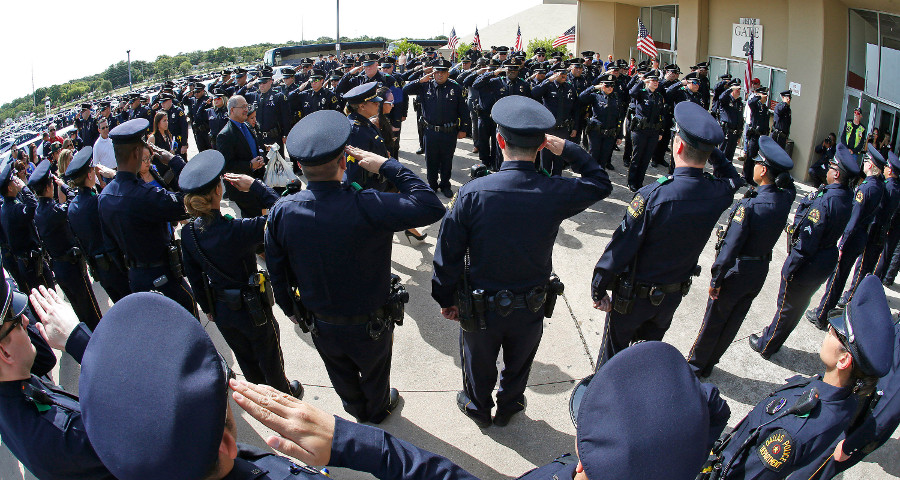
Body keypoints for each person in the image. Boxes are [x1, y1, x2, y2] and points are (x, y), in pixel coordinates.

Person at [432, 96, 612, 428]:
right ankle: (510, 404)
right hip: (530, 302)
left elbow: (447, 255)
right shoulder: (555, 190)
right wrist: (568, 149)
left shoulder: (473, 193)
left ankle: (478, 407)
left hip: (479, 305)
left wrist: (446, 298)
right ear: (543, 145)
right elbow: (601, 184)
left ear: (500, 141)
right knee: (520, 361)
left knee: (477, 360)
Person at [266, 110, 445, 424]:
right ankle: (375, 410)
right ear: (343, 162)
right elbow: (430, 206)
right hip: (369, 320)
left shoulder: (282, 210)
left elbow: (276, 268)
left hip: (320, 317)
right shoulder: (368, 204)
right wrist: (387, 165)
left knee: (339, 370)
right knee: (375, 370)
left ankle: (355, 409)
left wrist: (287, 307)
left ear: (298, 168)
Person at [591, 102, 742, 365]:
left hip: (633, 298)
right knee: (648, 356)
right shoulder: (718, 193)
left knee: (612, 358)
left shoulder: (654, 196)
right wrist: (710, 151)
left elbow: (621, 248)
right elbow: (733, 178)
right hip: (671, 296)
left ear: (678, 145)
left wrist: (599, 286)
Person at [712, 274, 894, 479]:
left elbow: (747, 474)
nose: (828, 331)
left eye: (835, 332)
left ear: (844, 360)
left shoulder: (792, 434)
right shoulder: (843, 394)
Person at [179, 150, 302, 399]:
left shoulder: (189, 233)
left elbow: (194, 277)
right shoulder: (237, 229)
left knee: (247, 360)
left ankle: (259, 397)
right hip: (252, 308)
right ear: (218, 191)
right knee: (270, 357)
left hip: (223, 308)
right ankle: (283, 396)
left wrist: (208, 307)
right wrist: (256, 187)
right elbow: (286, 212)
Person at [687, 136, 796, 377]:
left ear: (764, 170)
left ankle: (694, 367)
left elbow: (730, 248)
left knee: (713, 321)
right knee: (733, 321)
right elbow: (790, 187)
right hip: (758, 272)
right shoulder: (784, 199)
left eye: (757, 163)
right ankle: (710, 363)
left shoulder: (750, 207)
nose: (753, 165)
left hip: (737, 271)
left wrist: (716, 279)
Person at [749, 144, 859, 358]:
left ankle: (767, 344)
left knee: (786, 306)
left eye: (830, 168)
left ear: (836, 173)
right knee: (797, 307)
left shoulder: (826, 201)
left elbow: (807, 242)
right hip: (825, 259)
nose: (826, 170)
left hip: (810, 260)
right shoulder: (846, 196)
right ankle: (774, 337)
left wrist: (790, 267)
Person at [0, 276, 113, 480]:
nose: (26, 320)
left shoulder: (11, 391)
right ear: (5, 353)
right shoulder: (68, 433)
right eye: (16, 321)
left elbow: (43, 358)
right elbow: (147, 415)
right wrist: (77, 339)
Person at [98, 118, 198, 317]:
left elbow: (111, 248)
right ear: (136, 153)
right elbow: (191, 201)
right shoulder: (144, 195)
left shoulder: (104, 197)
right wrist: (175, 161)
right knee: (188, 319)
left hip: (137, 279)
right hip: (164, 276)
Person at [796, 305, 900, 479]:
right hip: (860, 396)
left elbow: (893, 406)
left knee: (814, 471)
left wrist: (852, 444)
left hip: (866, 418)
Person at [805, 145, 885, 331]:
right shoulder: (879, 185)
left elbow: (853, 221)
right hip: (862, 236)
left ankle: (822, 314)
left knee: (837, 277)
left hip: (854, 236)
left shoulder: (865, 189)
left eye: (866, 161)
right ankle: (826, 311)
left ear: (871, 166)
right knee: (842, 275)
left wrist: (841, 244)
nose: (864, 163)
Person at [28, 160, 102, 329]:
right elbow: (71, 202)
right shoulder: (52, 211)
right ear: (48, 187)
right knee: (91, 308)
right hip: (71, 266)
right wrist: (64, 187)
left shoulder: (39, 211)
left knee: (80, 309)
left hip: (60, 267)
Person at [63, 147, 131, 302]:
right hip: (116, 265)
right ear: (89, 175)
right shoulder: (97, 201)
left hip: (100, 269)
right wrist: (114, 176)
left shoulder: (73, 207)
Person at [402, 58, 468, 196]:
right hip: (430, 131)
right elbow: (405, 90)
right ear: (433, 72)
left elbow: (463, 110)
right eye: (437, 72)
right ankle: (432, 185)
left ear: (448, 73)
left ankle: (445, 185)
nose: (440, 75)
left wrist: (463, 129)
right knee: (431, 160)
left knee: (447, 160)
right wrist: (420, 80)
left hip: (449, 132)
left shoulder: (455, 88)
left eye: (443, 72)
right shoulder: (425, 86)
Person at [0, 162, 55, 292]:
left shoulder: (7, 207)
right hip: (32, 263)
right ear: (9, 188)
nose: (16, 183)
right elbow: (32, 207)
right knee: (49, 293)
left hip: (28, 262)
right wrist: (24, 188)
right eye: (13, 181)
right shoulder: (12, 209)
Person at [216, 95, 267, 218]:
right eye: (243, 107)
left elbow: (254, 147)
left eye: (247, 106)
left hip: (256, 180)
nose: (246, 109)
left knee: (262, 213)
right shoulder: (225, 135)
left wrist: (260, 158)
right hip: (242, 188)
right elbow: (227, 166)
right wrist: (250, 165)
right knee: (253, 217)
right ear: (232, 110)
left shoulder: (247, 126)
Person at [342, 82, 392, 191]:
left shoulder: (365, 123)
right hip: (368, 191)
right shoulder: (356, 131)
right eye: (374, 102)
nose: (378, 104)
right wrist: (361, 197)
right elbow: (353, 173)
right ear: (362, 106)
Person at [531, 64, 578, 176]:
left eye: (565, 73)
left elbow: (575, 110)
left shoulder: (569, 87)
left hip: (563, 129)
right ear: (554, 74)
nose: (564, 76)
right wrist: (548, 80)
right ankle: (545, 182)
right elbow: (534, 93)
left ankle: (557, 181)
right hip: (548, 129)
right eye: (561, 73)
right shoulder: (548, 86)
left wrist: (575, 128)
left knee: (559, 160)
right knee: (545, 159)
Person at [626, 71, 665, 191]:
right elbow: (631, 92)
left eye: (657, 81)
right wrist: (642, 81)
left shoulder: (659, 96)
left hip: (653, 131)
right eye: (653, 80)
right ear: (648, 82)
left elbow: (662, 115)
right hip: (640, 130)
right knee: (637, 157)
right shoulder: (641, 93)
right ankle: (631, 181)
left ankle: (639, 182)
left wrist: (661, 132)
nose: (655, 83)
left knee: (646, 158)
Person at [580, 73, 622, 171]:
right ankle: (590, 178)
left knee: (604, 158)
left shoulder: (616, 98)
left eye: (612, 85)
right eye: (607, 85)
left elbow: (619, 117)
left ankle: (599, 178)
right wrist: (594, 87)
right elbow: (582, 97)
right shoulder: (595, 96)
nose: (609, 88)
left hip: (610, 134)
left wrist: (619, 135)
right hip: (596, 133)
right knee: (593, 157)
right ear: (602, 85)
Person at [254, 71, 291, 153]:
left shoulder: (278, 97)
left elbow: (286, 117)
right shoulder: (256, 97)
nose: (261, 85)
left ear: (271, 81)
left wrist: (285, 134)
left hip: (274, 137)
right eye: (259, 83)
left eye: (264, 82)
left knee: (277, 163)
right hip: (260, 137)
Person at [744, 87, 771, 185]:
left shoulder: (765, 108)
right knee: (750, 158)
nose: (766, 97)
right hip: (754, 136)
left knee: (757, 159)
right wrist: (758, 97)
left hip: (762, 137)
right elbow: (750, 102)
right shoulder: (756, 106)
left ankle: (751, 177)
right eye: (764, 95)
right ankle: (745, 177)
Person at [717, 80, 744, 162]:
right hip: (726, 131)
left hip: (734, 134)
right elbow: (721, 98)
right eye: (737, 89)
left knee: (730, 156)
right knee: (722, 155)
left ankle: (727, 174)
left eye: (739, 89)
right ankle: (718, 174)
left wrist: (739, 135)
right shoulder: (726, 100)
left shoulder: (739, 103)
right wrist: (730, 89)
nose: (738, 91)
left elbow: (740, 119)